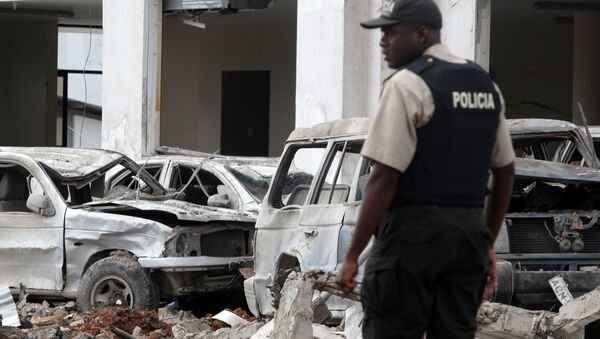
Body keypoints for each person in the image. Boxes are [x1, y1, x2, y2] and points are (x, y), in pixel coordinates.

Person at [336, 0, 515, 338]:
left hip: (411, 238)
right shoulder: (485, 86)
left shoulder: (407, 84)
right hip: (468, 237)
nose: (382, 42)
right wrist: (486, 244)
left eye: (391, 33)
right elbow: (505, 172)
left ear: (422, 33)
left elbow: (384, 177)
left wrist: (352, 255)